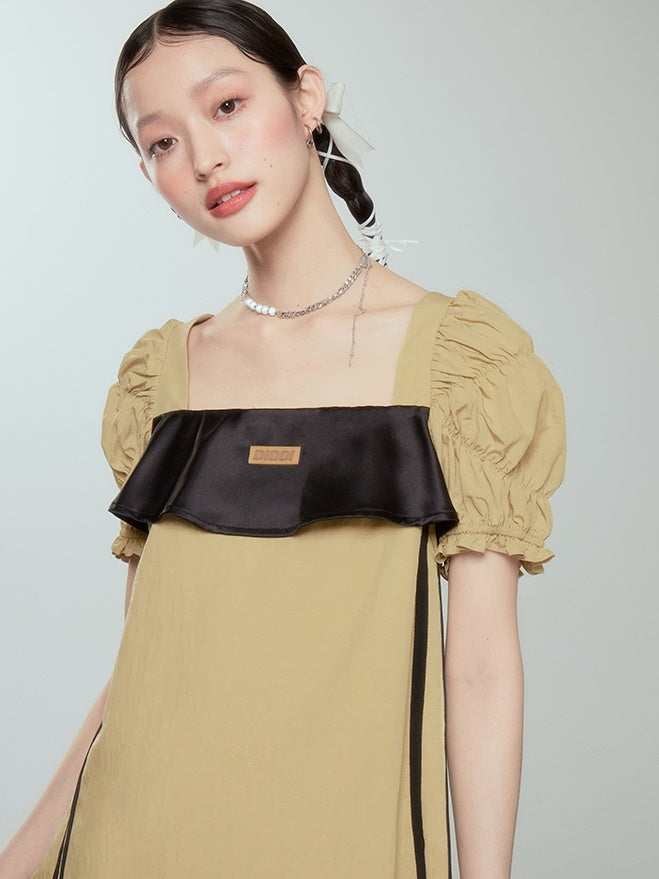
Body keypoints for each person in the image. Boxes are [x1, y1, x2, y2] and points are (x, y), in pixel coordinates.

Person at [1, 1, 566, 877]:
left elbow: (481, 668)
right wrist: (22, 853)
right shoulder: (163, 377)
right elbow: (145, 664)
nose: (204, 157)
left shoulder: (461, 365)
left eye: (227, 105)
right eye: (162, 142)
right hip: (130, 843)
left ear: (306, 98)